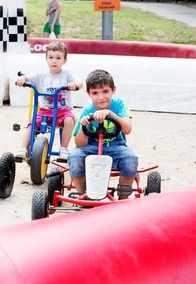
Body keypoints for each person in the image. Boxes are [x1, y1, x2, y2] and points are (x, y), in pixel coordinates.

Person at [68, 69, 138, 200]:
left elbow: (127, 129)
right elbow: (79, 144)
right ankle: (83, 196)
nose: (101, 97)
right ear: (88, 93)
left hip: (116, 145)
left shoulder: (119, 104)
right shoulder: (87, 110)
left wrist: (109, 113)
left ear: (113, 90)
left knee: (130, 158)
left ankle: (123, 198)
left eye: (105, 91)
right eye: (95, 93)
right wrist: (84, 126)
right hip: (91, 147)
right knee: (75, 156)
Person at [14, 41, 83, 161]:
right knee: (32, 123)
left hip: (63, 110)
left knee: (70, 120)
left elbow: (80, 82)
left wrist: (74, 85)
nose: (54, 61)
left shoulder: (67, 74)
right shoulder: (41, 75)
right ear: (46, 59)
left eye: (58, 58)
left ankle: (64, 149)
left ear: (64, 60)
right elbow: (28, 77)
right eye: (50, 57)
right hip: (45, 110)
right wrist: (21, 79)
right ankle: (23, 149)